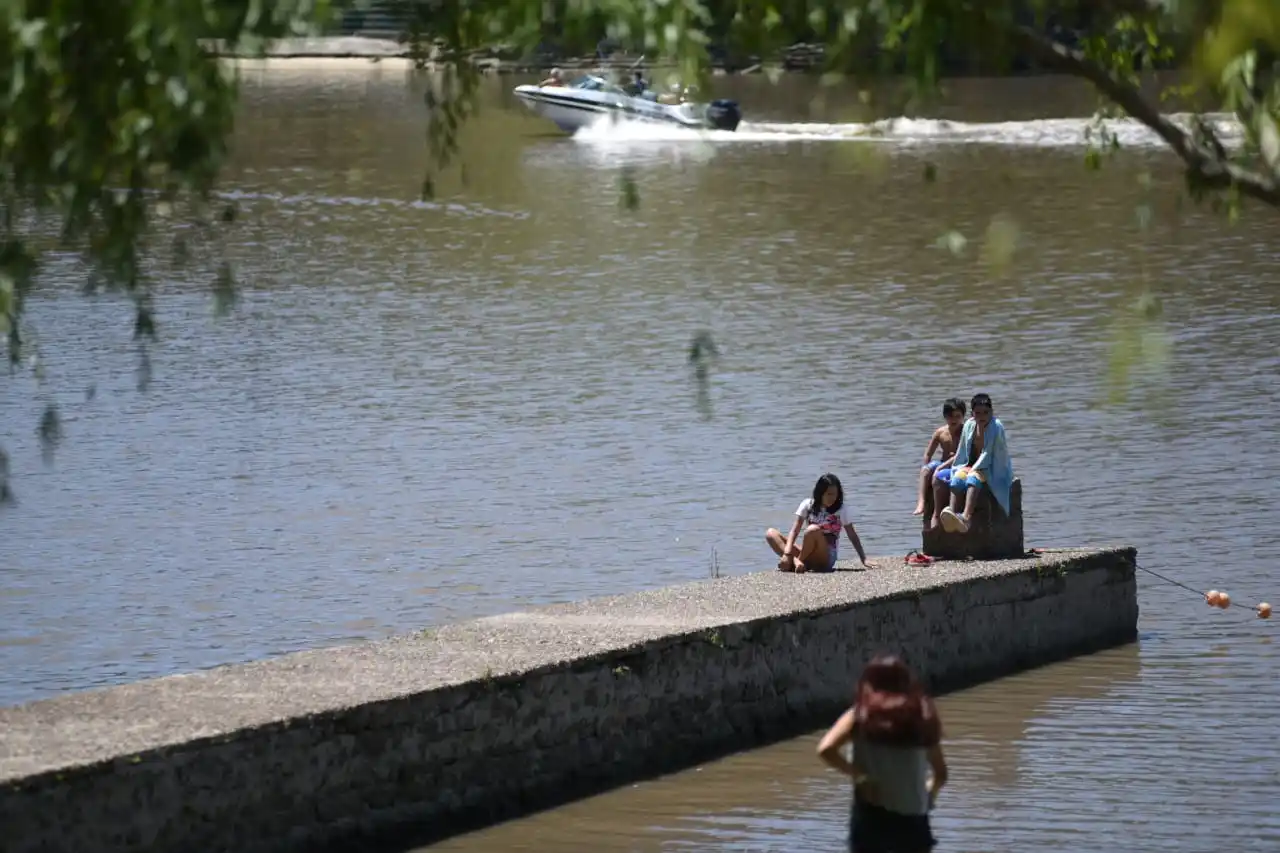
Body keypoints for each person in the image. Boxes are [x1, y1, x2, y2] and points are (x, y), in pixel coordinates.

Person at [817, 655, 949, 853]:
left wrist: (861, 777)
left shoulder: (860, 715)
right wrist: (927, 795)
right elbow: (941, 775)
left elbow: (826, 749)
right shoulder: (922, 718)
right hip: (913, 819)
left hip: (871, 817)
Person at [765, 473, 874, 573]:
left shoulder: (842, 509)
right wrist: (787, 553)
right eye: (829, 494)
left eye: (835, 494)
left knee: (812, 530)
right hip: (807, 552)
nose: (832, 498)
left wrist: (863, 558)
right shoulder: (807, 505)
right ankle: (794, 561)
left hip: (826, 558)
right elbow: (795, 530)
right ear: (820, 493)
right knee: (771, 534)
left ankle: (796, 561)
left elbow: (852, 535)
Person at [938, 393, 1014, 535]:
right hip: (972, 464)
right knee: (957, 478)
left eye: (986, 412)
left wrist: (973, 468)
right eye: (978, 413)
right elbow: (963, 450)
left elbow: (989, 453)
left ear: (992, 412)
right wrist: (962, 465)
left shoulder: (996, 426)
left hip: (991, 466)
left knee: (972, 479)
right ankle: (952, 512)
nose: (982, 416)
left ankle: (966, 518)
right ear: (972, 413)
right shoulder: (969, 424)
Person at [912, 398, 967, 520]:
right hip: (942, 462)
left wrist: (940, 468)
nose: (954, 420)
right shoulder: (940, 432)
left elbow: (960, 455)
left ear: (963, 416)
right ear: (945, 416)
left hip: (958, 464)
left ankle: (941, 513)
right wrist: (927, 466)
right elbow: (928, 454)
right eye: (950, 416)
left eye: (958, 416)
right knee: (925, 470)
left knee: (939, 474)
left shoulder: (965, 432)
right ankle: (921, 502)